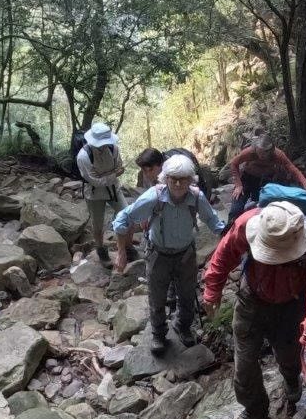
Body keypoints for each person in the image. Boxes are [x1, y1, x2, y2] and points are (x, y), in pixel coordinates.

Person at [203, 201, 306, 419]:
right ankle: (254, 411)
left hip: (294, 303)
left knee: (289, 352)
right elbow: (225, 254)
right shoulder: (247, 225)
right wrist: (212, 289)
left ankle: (292, 383)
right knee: (244, 363)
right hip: (251, 297)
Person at [112, 154, 225, 354]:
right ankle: (158, 333)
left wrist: (229, 243)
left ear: (191, 180)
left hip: (186, 254)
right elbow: (123, 218)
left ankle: (182, 326)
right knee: (157, 297)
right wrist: (121, 252)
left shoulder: (197, 197)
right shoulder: (154, 197)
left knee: (187, 295)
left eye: (184, 179)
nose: (179, 184)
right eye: (174, 179)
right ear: (165, 178)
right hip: (158, 254)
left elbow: (214, 223)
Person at [226, 133, 306, 225]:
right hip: (246, 178)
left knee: (262, 209)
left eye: (264, 153)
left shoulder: (278, 154)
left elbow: (293, 169)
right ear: (255, 148)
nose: (261, 155)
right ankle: (228, 230)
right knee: (235, 210)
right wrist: (238, 185)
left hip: (265, 181)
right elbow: (234, 163)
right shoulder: (249, 152)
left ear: (270, 150)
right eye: (259, 151)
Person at [76, 121, 127, 267]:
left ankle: (125, 247)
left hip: (113, 190)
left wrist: (106, 175)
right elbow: (95, 181)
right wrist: (112, 174)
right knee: (97, 225)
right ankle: (101, 250)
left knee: (126, 214)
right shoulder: (83, 156)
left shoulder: (113, 148)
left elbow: (119, 166)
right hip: (94, 194)